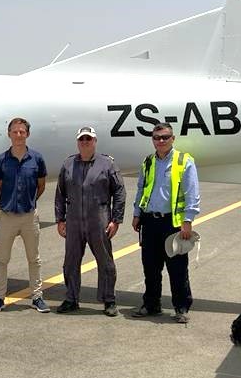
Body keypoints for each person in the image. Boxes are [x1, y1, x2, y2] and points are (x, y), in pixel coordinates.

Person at [131, 122, 200, 323]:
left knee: (177, 268)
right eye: (157, 138)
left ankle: (181, 307)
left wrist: (188, 221)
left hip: (173, 223)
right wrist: (137, 214)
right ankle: (152, 305)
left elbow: (192, 192)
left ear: (172, 139)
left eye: (165, 137)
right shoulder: (148, 162)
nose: (160, 141)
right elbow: (141, 189)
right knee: (150, 268)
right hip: (150, 222)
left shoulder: (184, 161)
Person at [54, 126, 125, 317]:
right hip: (74, 219)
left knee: (105, 261)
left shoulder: (107, 164)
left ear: (95, 141)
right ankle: (71, 298)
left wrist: (116, 220)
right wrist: (60, 219)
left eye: (89, 139)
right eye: (82, 139)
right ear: (78, 142)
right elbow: (60, 193)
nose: (85, 142)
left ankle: (109, 300)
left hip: (99, 219)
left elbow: (119, 191)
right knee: (70, 261)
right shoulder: (68, 164)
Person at [0, 117, 49, 314]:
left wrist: (28, 202)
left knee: (34, 258)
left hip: (29, 215)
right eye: (15, 132)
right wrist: (10, 201)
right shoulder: (1, 160)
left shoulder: (37, 159)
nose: (19, 135)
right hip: (7, 216)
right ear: (9, 134)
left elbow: (41, 186)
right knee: (2, 259)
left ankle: (37, 297)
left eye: (22, 132)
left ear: (27, 134)